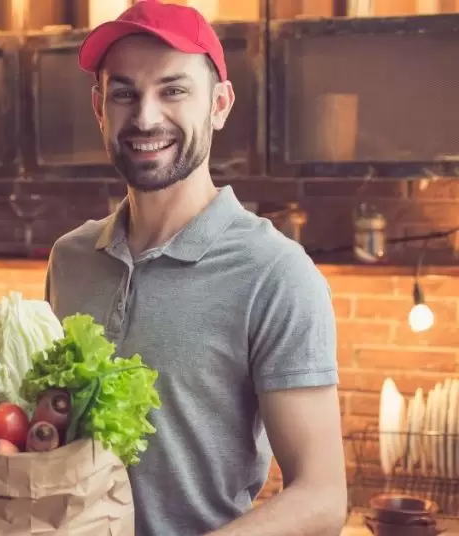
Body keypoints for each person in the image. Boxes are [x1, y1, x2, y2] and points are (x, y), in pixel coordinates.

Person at [45, 1, 347, 535]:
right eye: (124, 93)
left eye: (173, 90)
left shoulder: (275, 274)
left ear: (220, 104)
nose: (145, 117)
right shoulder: (69, 258)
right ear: (99, 107)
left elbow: (321, 498)